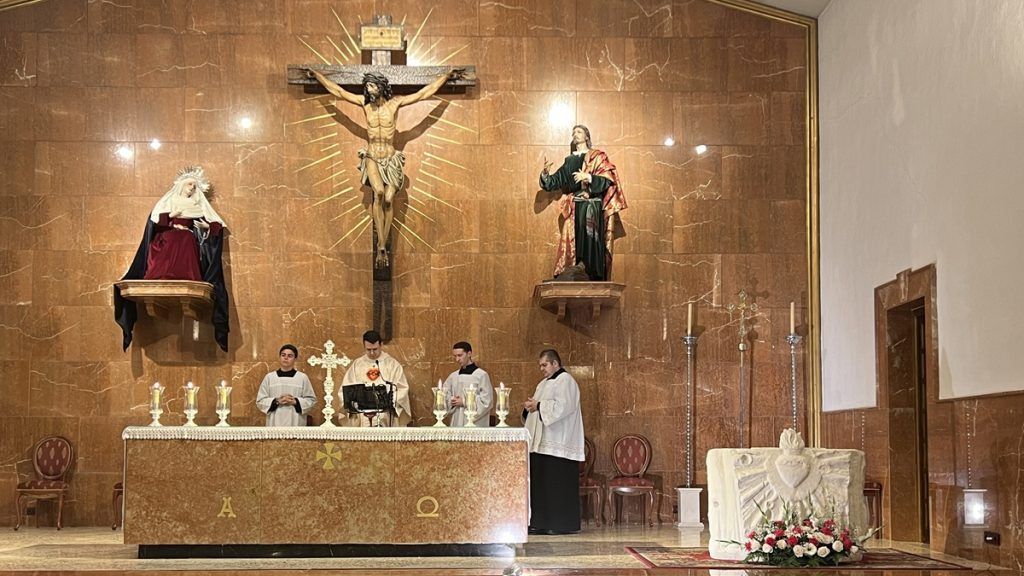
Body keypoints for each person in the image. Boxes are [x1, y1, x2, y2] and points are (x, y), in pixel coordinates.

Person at [308, 67, 465, 268]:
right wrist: (318, 76)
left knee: (390, 200)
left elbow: (424, 93)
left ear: (381, 87)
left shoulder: (395, 104)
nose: (368, 89)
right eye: (367, 86)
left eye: (372, 85)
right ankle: (381, 246)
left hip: (390, 159)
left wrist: (445, 77)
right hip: (373, 156)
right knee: (379, 194)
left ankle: (383, 243)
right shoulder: (364, 104)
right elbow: (338, 91)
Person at [114, 166, 230, 351]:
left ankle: (187, 275)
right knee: (172, 239)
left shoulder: (197, 205)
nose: (192, 188)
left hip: (187, 238)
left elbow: (216, 224)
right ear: (182, 184)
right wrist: (171, 217)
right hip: (168, 236)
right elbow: (155, 222)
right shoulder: (169, 201)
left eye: (194, 185)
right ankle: (161, 275)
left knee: (186, 239)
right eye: (190, 184)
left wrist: (207, 227)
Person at [538, 125, 627, 281]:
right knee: (574, 234)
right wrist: (545, 174)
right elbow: (555, 181)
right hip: (575, 205)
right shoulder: (570, 161)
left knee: (590, 229)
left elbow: (608, 179)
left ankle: (591, 270)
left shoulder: (598, 156)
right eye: (573, 132)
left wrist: (589, 177)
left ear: (587, 136)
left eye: (579, 132)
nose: (575, 134)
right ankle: (576, 267)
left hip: (592, 204)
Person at [523, 349, 585, 535]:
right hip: (542, 443)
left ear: (555, 363)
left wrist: (539, 406)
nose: (542, 369)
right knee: (542, 484)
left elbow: (564, 407)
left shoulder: (566, 380)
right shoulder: (543, 384)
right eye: (540, 365)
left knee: (557, 484)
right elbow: (538, 407)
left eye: (544, 364)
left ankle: (561, 524)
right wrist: (529, 409)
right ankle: (541, 522)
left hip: (559, 443)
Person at [339, 330, 412, 426]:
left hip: (385, 413)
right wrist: (353, 403)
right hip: (361, 412)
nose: (372, 353)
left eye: (375, 349)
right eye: (368, 350)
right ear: (364, 346)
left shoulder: (392, 365)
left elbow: (402, 389)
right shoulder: (357, 365)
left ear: (381, 345)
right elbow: (345, 389)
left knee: (383, 418)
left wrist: (391, 402)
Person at [256, 344, 318, 426]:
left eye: (290, 356)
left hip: (296, 422)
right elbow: (260, 401)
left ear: (295, 359)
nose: (286, 358)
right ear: (279, 357)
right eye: (283, 355)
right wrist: (277, 401)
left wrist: (295, 401)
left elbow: (311, 401)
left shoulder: (302, 377)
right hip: (275, 423)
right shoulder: (269, 378)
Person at [441, 341, 494, 427]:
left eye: (460, 355)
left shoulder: (481, 375)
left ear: (469, 353)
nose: (457, 359)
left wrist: (465, 402)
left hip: (475, 423)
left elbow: (487, 402)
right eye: (455, 356)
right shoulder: (453, 376)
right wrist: (452, 400)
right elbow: (443, 395)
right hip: (457, 420)